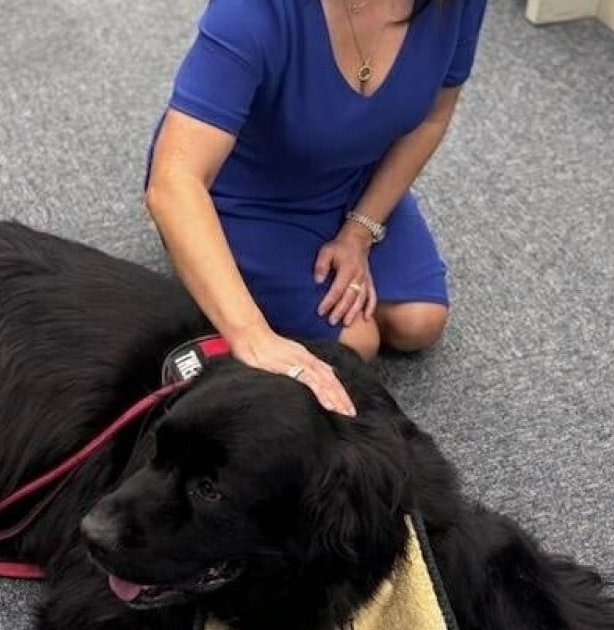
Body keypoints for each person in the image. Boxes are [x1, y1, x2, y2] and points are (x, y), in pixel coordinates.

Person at [142, 0, 488, 416]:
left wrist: (360, 230)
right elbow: (173, 182)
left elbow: (434, 115)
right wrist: (252, 335)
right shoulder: (255, 9)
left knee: (419, 322)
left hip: (352, 173)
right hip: (247, 193)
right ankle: (199, 255)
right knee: (356, 343)